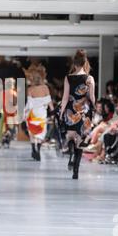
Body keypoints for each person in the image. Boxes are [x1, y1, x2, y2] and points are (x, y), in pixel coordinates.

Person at [60, 49, 96, 179]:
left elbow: (65, 97)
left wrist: (62, 112)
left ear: (74, 64)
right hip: (84, 111)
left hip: (71, 110)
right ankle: (76, 170)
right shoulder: (89, 78)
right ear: (85, 62)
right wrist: (94, 109)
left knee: (70, 137)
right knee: (80, 142)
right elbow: (92, 98)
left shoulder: (68, 78)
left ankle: (70, 152)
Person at [23, 64, 53, 161]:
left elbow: (29, 104)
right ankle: (38, 150)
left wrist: (24, 114)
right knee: (41, 131)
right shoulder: (45, 88)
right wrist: (52, 112)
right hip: (42, 113)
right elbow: (49, 101)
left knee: (32, 132)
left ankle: (33, 150)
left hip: (32, 113)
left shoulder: (30, 89)